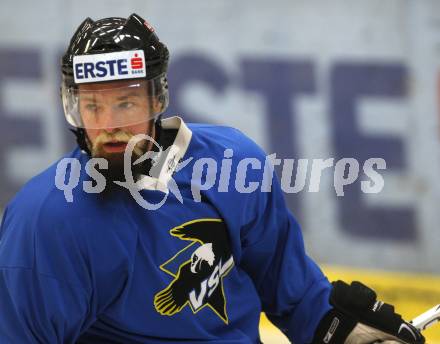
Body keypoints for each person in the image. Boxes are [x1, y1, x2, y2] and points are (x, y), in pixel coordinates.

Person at [0, 13, 425, 344]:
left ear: (155, 100)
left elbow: (291, 292)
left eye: (126, 103)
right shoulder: (45, 222)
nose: (109, 125)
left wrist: (336, 327)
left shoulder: (232, 164)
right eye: (93, 107)